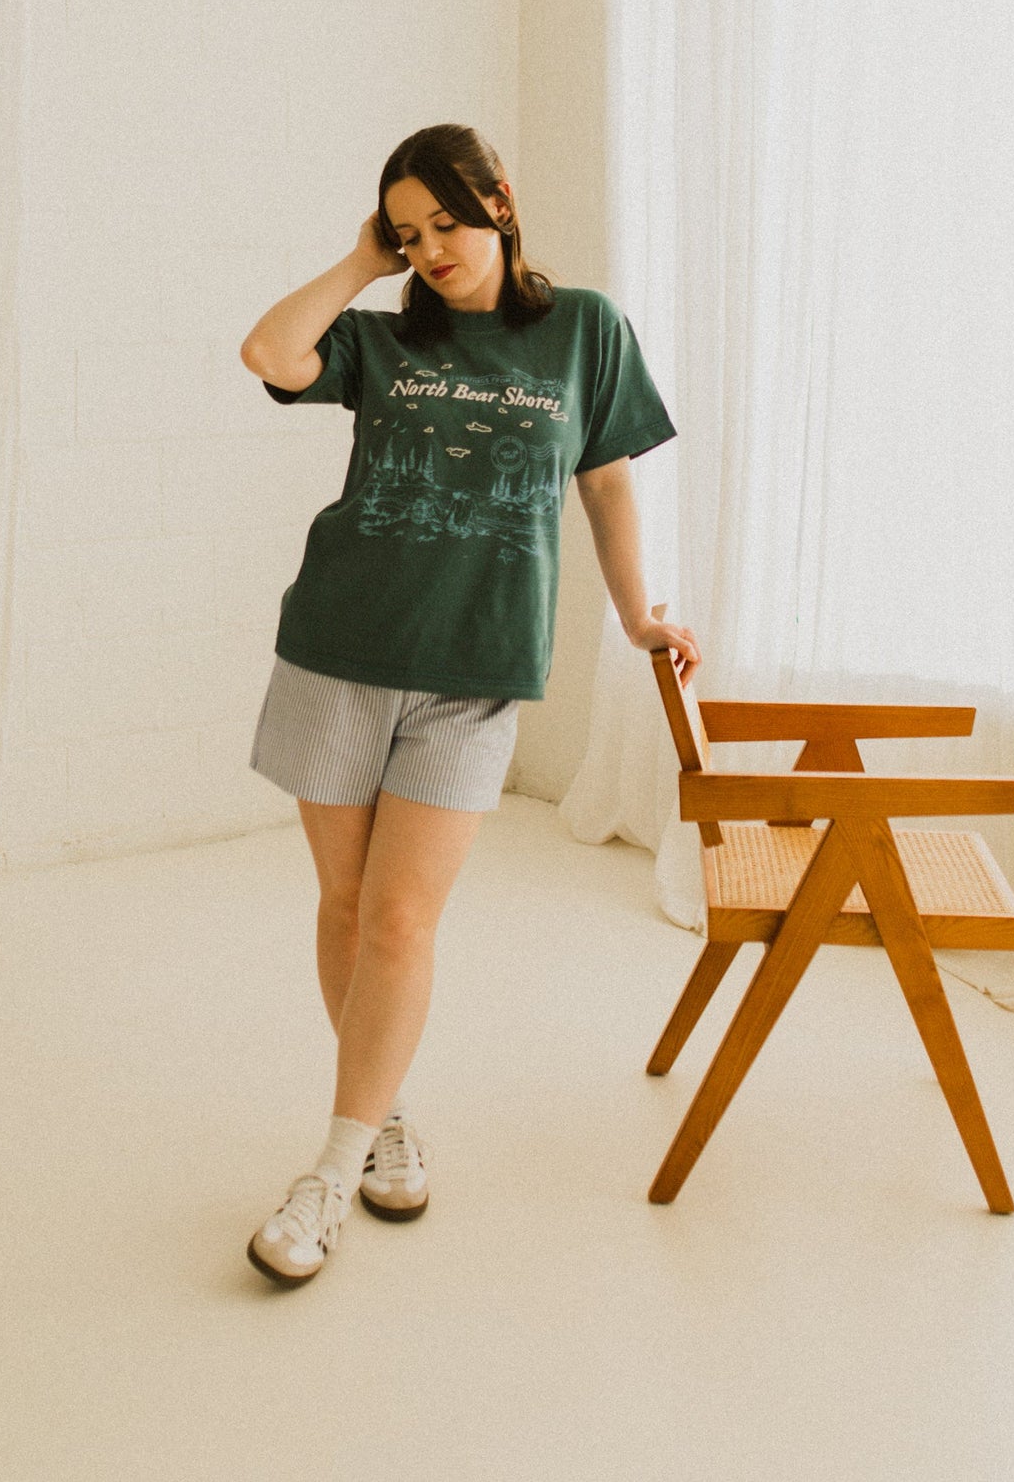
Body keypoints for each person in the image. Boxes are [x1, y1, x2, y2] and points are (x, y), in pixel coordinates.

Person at [237, 123, 700, 1285]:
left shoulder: (584, 328)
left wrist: (638, 615)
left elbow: (603, 480)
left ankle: (332, 1170)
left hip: (477, 669)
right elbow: (266, 349)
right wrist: (359, 263)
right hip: (339, 647)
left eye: (444, 222)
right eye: (408, 232)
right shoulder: (386, 337)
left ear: (498, 199)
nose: (430, 248)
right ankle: (381, 1112)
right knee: (345, 905)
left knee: (399, 921)